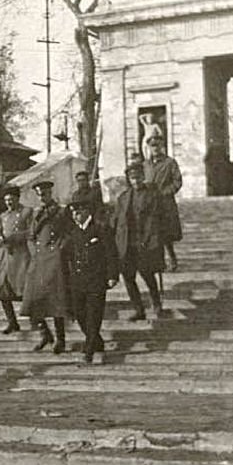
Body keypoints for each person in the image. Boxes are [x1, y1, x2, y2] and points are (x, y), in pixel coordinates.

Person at [20, 180, 72, 353]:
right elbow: (30, 236)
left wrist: (59, 249)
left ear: (51, 193)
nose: (43, 197)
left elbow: (69, 233)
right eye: (40, 194)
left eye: (45, 193)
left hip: (54, 260)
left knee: (56, 300)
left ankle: (61, 339)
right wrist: (33, 250)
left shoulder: (61, 212)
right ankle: (45, 334)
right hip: (38, 259)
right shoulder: (35, 213)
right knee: (32, 299)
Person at [64, 200, 118, 363]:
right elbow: (69, 256)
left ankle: (89, 349)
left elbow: (111, 254)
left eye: (78, 212)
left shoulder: (100, 229)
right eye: (73, 213)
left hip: (96, 279)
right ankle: (97, 341)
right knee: (80, 314)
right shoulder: (73, 232)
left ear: (87, 211)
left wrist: (112, 276)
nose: (75, 216)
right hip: (78, 281)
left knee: (94, 314)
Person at [112, 163, 166, 321]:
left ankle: (156, 304)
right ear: (129, 179)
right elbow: (116, 221)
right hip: (127, 245)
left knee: (148, 275)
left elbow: (157, 220)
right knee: (128, 278)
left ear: (143, 176)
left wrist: (153, 239)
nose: (135, 181)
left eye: (138, 177)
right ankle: (139, 309)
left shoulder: (152, 195)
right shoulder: (123, 197)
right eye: (132, 178)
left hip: (145, 243)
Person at [0, 186, 33, 335]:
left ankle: (39, 325)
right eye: (6, 200)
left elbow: (32, 231)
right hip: (7, 256)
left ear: (17, 198)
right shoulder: (3, 216)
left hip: (22, 256)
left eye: (11, 199)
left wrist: (15, 237)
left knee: (26, 291)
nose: (8, 202)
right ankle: (12, 322)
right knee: (2, 289)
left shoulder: (27, 212)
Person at [143, 134, 183, 271]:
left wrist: (165, 192)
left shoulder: (170, 163)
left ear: (162, 147)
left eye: (158, 145)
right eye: (152, 146)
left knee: (167, 234)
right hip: (150, 204)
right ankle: (160, 262)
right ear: (149, 147)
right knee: (154, 233)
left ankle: (172, 258)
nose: (155, 148)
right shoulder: (145, 164)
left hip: (165, 204)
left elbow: (177, 181)